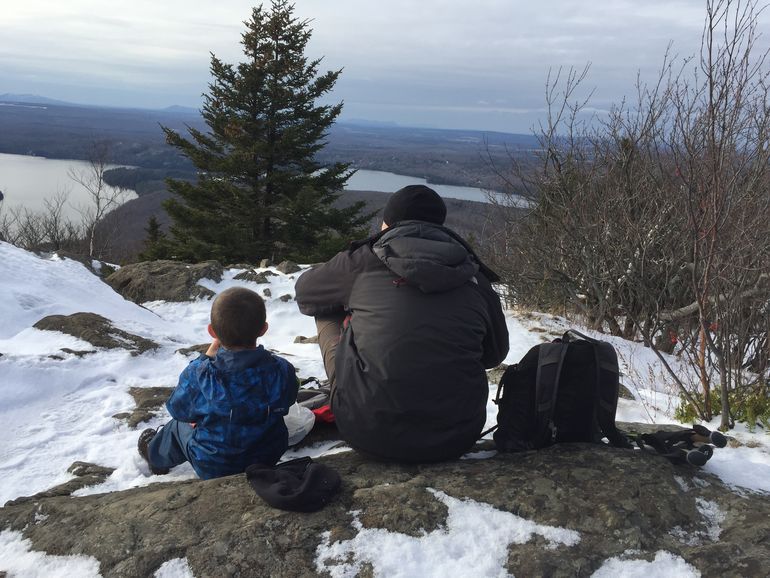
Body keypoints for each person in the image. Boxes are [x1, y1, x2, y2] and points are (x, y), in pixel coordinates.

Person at [294, 184, 509, 462]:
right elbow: (495, 354)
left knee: (326, 308)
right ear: (439, 224)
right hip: (457, 436)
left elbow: (306, 294)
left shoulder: (363, 260)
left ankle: (361, 387)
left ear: (387, 223)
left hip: (366, 431)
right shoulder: (474, 274)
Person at [138, 287, 298, 479]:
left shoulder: (201, 374)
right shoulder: (282, 369)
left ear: (212, 331)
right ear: (263, 329)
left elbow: (177, 409)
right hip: (267, 456)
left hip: (214, 465)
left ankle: (154, 456)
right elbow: (288, 399)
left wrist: (203, 360)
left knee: (177, 427)